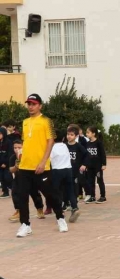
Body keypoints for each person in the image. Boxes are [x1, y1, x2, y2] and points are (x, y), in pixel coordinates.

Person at [15, 94, 67, 237]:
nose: (30, 107)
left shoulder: (46, 121)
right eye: (29, 104)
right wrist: (20, 160)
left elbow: (50, 141)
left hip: (41, 166)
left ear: (40, 106)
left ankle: (60, 218)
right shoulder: (25, 122)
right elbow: (26, 143)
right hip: (25, 166)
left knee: (50, 195)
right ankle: (25, 225)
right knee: (22, 196)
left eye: (33, 104)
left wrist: (43, 162)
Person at [8, 140, 44, 223]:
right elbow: (11, 170)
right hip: (18, 179)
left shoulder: (29, 155)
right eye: (15, 148)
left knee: (34, 193)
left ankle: (39, 209)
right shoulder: (13, 157)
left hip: (30, 178)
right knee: (15, 193)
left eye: (19, 147)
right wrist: (16, 167)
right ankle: (18, 210)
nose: (17, 149)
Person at [51, 130, 80, 223]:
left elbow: (48, 159)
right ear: (63, 138)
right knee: (70, 190)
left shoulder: (52, 147)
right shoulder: (65, 146)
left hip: (57, 171)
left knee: (57, 191)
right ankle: (75, 208)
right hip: (68, 170)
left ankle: (60, 211)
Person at [66, 127, 87, 219]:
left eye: (71, 135)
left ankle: (74, 204)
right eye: (68, 134)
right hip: (66, 170)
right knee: (65, 188)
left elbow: (86, 154)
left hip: (75, 171)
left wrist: (84, 164)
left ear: (76, 136)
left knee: (74, 188)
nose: (69, 136)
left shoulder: (78, 146)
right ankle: (68, 203)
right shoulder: (64, 145)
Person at [83, 127, 107, 204]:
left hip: (98, 166)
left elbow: (103, 154)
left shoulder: (99, 143)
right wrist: (86, 165)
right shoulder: (87, 143)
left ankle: (103, 196)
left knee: (100, 181)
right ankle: (92, 196)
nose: (86, 134)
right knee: (90, 181)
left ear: (93, 133)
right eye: (86, 133)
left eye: (88, 132)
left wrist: (104, 164)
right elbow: (86, 155)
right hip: (90, 166)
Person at [0, 127, 10, 198]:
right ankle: (5, 192)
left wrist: (5, 163)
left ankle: (14, 189)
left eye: (0, 133)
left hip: (7, 164)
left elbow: (10, 154)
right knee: (1, 178)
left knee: (7, 177)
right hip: (0, 165)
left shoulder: (8, 142)